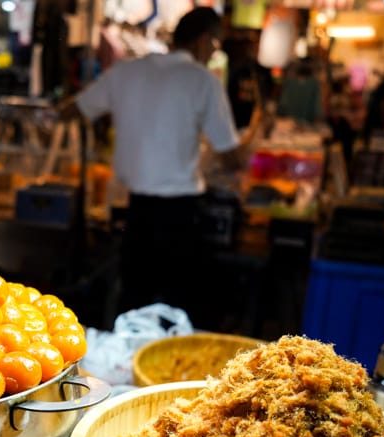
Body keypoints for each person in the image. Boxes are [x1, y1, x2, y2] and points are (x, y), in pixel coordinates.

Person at [60, 7, 257, 318]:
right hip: (181, 212)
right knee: (176, 303)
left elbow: (74, 109)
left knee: (133, 297)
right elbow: (230, 156)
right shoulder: (203, 81)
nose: (213, 53)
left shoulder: (127, 71)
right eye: (215, 45)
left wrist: (49, 112)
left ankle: (129, 360)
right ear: (204, 41)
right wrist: (256, 133)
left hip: (135, 210)